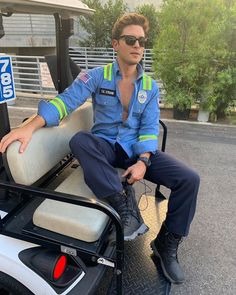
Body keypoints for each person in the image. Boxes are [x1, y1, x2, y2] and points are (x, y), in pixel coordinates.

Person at [0, 13, 200, 284]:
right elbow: (65, 101)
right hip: (104, 146)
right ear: (116, 44)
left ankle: (166, 244)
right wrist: (30, 126)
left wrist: (143, 161)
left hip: (135, 150)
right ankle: (122, 203)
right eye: (131, 39)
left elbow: (150, 128)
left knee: (189, 179)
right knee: (80, 140)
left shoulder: (150, 87)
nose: (138, 45)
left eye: (142, 41)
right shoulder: (96, 76)